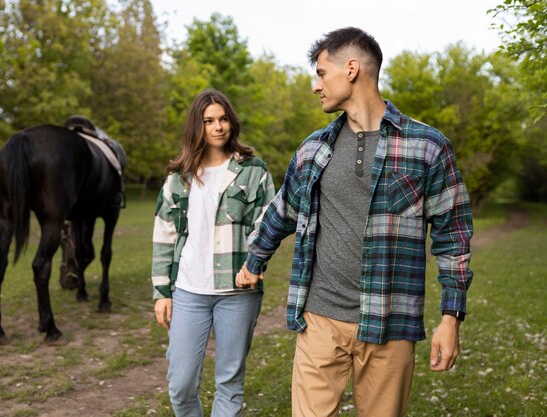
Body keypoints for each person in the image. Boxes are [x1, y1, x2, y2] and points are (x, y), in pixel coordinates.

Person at [236, 27, 473, 417]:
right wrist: (253, 260)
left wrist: (451, 317)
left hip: (390, 321)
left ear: (351, 69)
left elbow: (453, 237)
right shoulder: (314, 148)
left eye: (321, 73)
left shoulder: (427, 146)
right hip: (319, 318)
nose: (317, 85)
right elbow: (283, 211)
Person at [151, 88, 275, 417]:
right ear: (198, 126)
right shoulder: (178, 178)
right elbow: (164, 235)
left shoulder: (254, 171)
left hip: (238, 292)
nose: (218, 127)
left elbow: (267, 225)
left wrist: (256, 262)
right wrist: (162, 292)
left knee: (229, 382)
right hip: (189, 291)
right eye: (209, 121)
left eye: (222, 119)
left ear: (231, 123)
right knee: (180, 383)